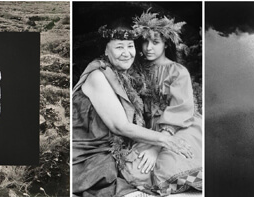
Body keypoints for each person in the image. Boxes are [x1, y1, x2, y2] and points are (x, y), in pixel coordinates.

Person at [71, 19, 193, 197]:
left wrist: (160, 141)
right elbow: (119, 126)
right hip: (91, 148)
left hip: (122, 141)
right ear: (105, 50)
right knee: (110, 174)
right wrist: (164, 140)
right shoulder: (98, 75)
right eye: (119, 47)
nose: (127, 53)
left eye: (130, 46)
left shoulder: (129, 73)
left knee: (168, 163)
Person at [119, 10, 203, 196]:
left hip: (179, 126)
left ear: (166, 44)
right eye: (145, 42)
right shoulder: (134, 68)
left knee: (170, 165)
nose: (149, 47)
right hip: (148, 129)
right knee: (136, 168)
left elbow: (181, 110)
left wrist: (157, 147)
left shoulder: (177, 71)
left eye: (155, 42)